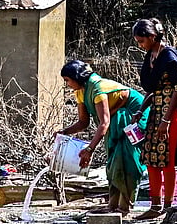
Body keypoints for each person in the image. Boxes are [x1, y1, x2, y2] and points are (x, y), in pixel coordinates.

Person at [56, 59, 146, 215]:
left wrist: (89, 149)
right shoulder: (80, 92)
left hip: (133, 117)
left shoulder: (98, 89)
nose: (67, 84)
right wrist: (64, 132)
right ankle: (113, 205)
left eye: (68, 80)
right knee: (113, 161)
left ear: (77, 77)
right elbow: (83, 122)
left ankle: (124, 206)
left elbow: (104, 123)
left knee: (125, 160)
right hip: (115, 121)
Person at [131, 18, 177, 220]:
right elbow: (154, 89)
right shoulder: (152, 57)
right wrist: (141, 110)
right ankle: (154, 205)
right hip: (156, 113)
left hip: (170, 115)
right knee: (151, 158)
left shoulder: (169, 58)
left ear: (152, 36)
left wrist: (166, 121)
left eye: (142, 41)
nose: (140, 45)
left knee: (166, 161)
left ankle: (168, 206)